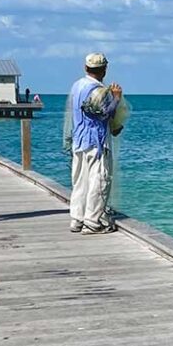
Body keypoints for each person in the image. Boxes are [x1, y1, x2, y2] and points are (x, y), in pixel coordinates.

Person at [67, 52, 123, 234]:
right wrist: (116, 98)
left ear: (86, 68)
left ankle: (77, 219)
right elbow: (106, 114)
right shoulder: (100, 91)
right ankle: (92, 222)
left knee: (80, 182)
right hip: (97, 143)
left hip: (79, 141)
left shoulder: (77, 86)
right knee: (99, 181)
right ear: (104, 70)